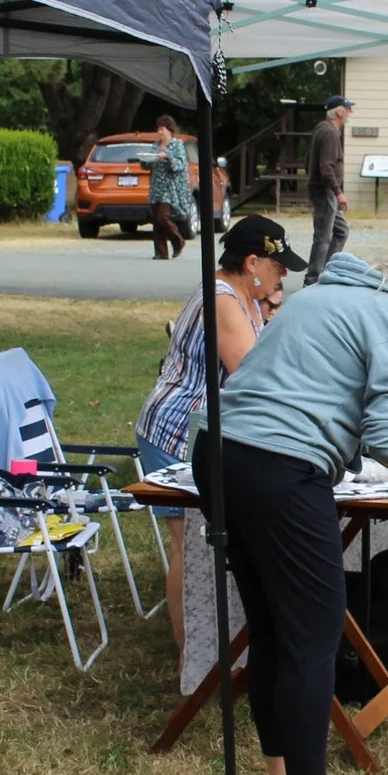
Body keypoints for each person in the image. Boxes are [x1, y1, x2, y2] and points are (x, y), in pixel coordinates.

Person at [194, 231, 388, 775]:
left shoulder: (327, 294)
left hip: (220, 451)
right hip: (280, 467)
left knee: (273, 627)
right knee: (315, 632)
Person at [136, 214, 306, 644]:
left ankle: (213, 648)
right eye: (277, 264)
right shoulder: (223, 301)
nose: (283, 272)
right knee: (190, 548)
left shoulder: (245, 298)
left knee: (203, 544)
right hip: (177, 430)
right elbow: (256, 377)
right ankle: (188, 656)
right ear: (251, 262)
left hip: (203, 431)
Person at [303, 96, 353, 284]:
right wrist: (338, 192)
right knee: (323, 237)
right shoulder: (330, 133)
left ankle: (326, 271)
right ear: (339, 111)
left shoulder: (321, 128)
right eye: (348, 109)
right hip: (326, 192)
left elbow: (308, 161)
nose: (350, 113)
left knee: (341, 231)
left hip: (323, 191)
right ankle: (313, 279)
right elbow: (326, 167)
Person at [146, 116, 193, 261]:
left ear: (170, 130)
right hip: (156, 187)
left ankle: (178, 240)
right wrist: (148, 160)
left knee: (163, 217)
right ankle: (161, 252)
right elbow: (147, 165)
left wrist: (167, 157)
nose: (160, 132)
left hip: (170, 187)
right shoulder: (155, 146)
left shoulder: (177, 145)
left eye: (162, 129)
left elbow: (179, 165)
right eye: (158, 129)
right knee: (156, 219)